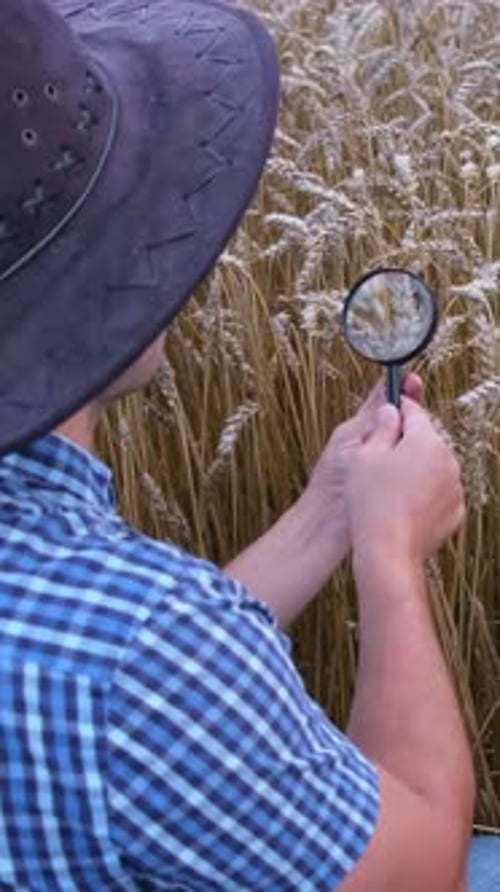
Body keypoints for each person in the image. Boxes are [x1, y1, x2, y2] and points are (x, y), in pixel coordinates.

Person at [0, 0, 498, 889]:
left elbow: (135, 687)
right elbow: (419, 872)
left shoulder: (106, 634)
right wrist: (392, 555)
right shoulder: (145, 650)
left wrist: (328, 514)